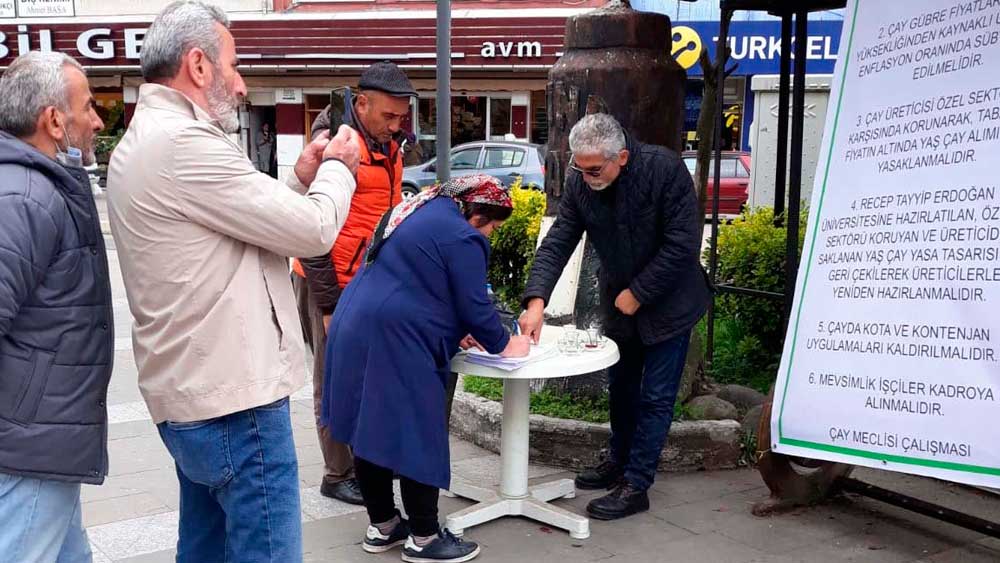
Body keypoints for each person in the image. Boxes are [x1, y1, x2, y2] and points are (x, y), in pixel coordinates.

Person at [106, 2, 361, 561]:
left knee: (203, 548)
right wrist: (342, 166)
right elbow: (315, 230)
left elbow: (247, 226)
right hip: (235, 403)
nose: (242, 85)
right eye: (235, 64)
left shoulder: (146, 138)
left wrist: (298, 178)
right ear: (199, 65)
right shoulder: (184, 142)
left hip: (193, 396)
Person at [323, 174, 531, 563]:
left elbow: (421, 278)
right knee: (418, 430)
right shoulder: (463, 235)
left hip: (354, 324)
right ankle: (424, 537)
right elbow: (473, 304)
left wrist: (458, 329)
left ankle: (383, 525)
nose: (490, 236)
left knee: (369, 426)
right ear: (477, 213)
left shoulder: (417, 208)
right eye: (491, 227)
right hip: (395, 337)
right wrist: (506, 343)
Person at [519, 113, 711, 521]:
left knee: (656, 397)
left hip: (670, 302)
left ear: (621, 156)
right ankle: (618, 460)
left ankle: (636, 483)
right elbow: (559, 241)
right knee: (621, 387)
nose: (586, 177)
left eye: (594, 169)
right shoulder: (580, 184)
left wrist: (639, 293)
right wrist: (536, 300)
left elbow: (683, 244)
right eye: (580, 168)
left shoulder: (664, 169)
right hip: (620, 303)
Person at [0, 50, 109, 563]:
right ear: (54, 121)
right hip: (30, 446)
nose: (97, 120)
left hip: (45, 439)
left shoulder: (38, 186)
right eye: (88, 106)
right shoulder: (23, 196)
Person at [291, 60, 415, 505]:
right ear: (361, 104)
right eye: (388, 116)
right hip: (328, 280)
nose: (396, 125)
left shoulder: (391, 142)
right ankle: (337, 472)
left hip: (367, 279)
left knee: (366, 375)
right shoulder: (334, 144)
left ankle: (366, 462)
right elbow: (311, 232)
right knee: (332, 377)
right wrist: (328, 306)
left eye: (402, 116)